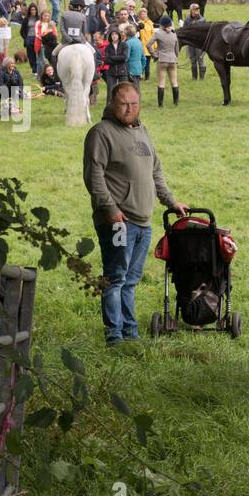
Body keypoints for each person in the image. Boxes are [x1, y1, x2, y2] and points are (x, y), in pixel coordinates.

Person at [83, 81, 189, 345]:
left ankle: (130, 332)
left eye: (134, 103)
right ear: (112, 103)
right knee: (115, 278)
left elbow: (155, 172)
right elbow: (93, 176)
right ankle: (114, 335)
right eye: (124, 104)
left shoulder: (142, 131)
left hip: (143, 221)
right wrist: (110, 209)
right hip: (119, 221)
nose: (130, 109)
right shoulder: (101, 133)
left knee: (130, 280)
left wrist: (171, 202)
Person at [150, 14, 180, 107]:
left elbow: (148, 44)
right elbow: (177, 49)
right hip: (172, 60)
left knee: (161, 82)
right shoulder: (174, 34)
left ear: (162, 25)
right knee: (174, 81)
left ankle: (160, 104)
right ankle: (176, 102)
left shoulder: (158, 33)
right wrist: (175, 58)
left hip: (162, 59)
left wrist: (154, 55)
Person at [181, 2, 208, 80]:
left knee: (200, 59)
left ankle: (202, 78)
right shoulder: (187, 20)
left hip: (199, 43)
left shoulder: (202, 20)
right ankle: (194, 77)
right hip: (190, 43)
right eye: (195, 9)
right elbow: (184, 31)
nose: (196, 11)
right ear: (191, 10)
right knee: (192, 59)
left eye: (197, 9)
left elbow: (205, 33)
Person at [103, 26, 129, 102]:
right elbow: (107, 60)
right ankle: (109, 108)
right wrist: (118, 58)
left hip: (122, 71)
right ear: (110, 36)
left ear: (119, 35)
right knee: (110, 92)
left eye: (116, 34)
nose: (114, 36)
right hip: (111, 72)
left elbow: (124, 57)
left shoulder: (124, 45)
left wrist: (112, 58)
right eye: (112, 34)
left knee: (124, 91)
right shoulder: (108, 47)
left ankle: (123, 106)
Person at [0, 56, 25, 120]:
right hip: (6, 91)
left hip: (16, 91)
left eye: (13, 63)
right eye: (11, 63)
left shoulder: (16, 72)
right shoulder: (2, 72)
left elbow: (21, 83)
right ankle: (6, 110)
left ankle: (13, 109)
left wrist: (20, 89)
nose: (13, 65)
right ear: (6, 64)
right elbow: (1, 84)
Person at [123, 23, 145, 94]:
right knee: (137, 88)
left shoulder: (128, 43)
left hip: (130, 69)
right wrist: (142, 69)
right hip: (138, 69)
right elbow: (143, 58)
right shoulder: (139, 42)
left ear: (126, 33)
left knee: (130, 90)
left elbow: (126, 58)